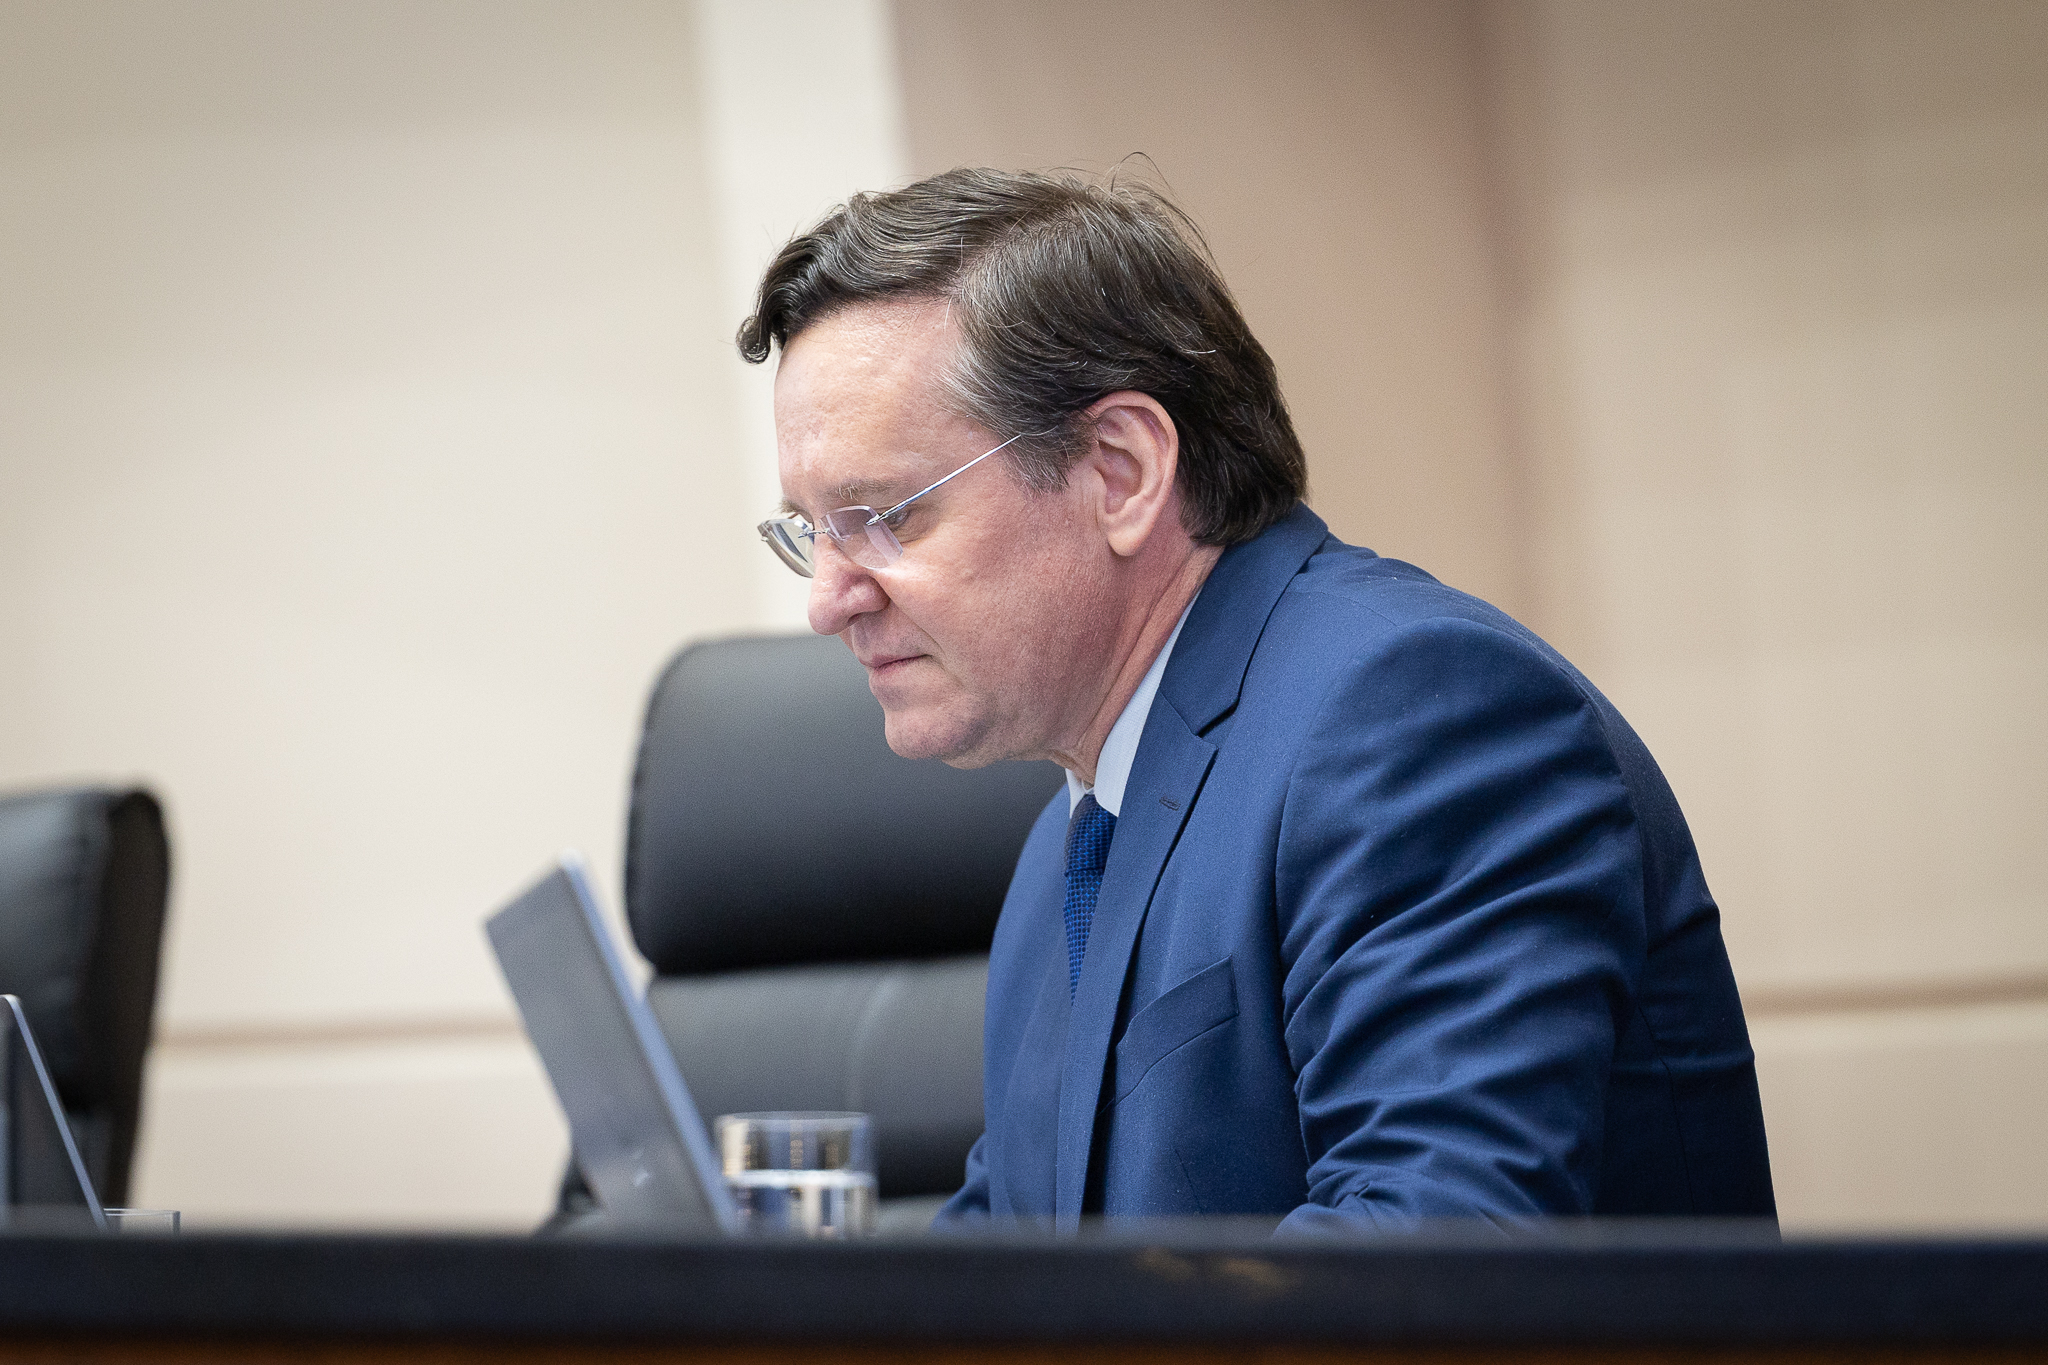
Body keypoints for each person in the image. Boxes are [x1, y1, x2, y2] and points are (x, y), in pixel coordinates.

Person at [742, 168, 1774, 1231]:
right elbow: (1005, 1261)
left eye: (885, 516)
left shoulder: (1414, 716)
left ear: (1120, 471)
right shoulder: (1069, 846)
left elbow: (1433, 1252)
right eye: (810, 532)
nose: (827, 601)